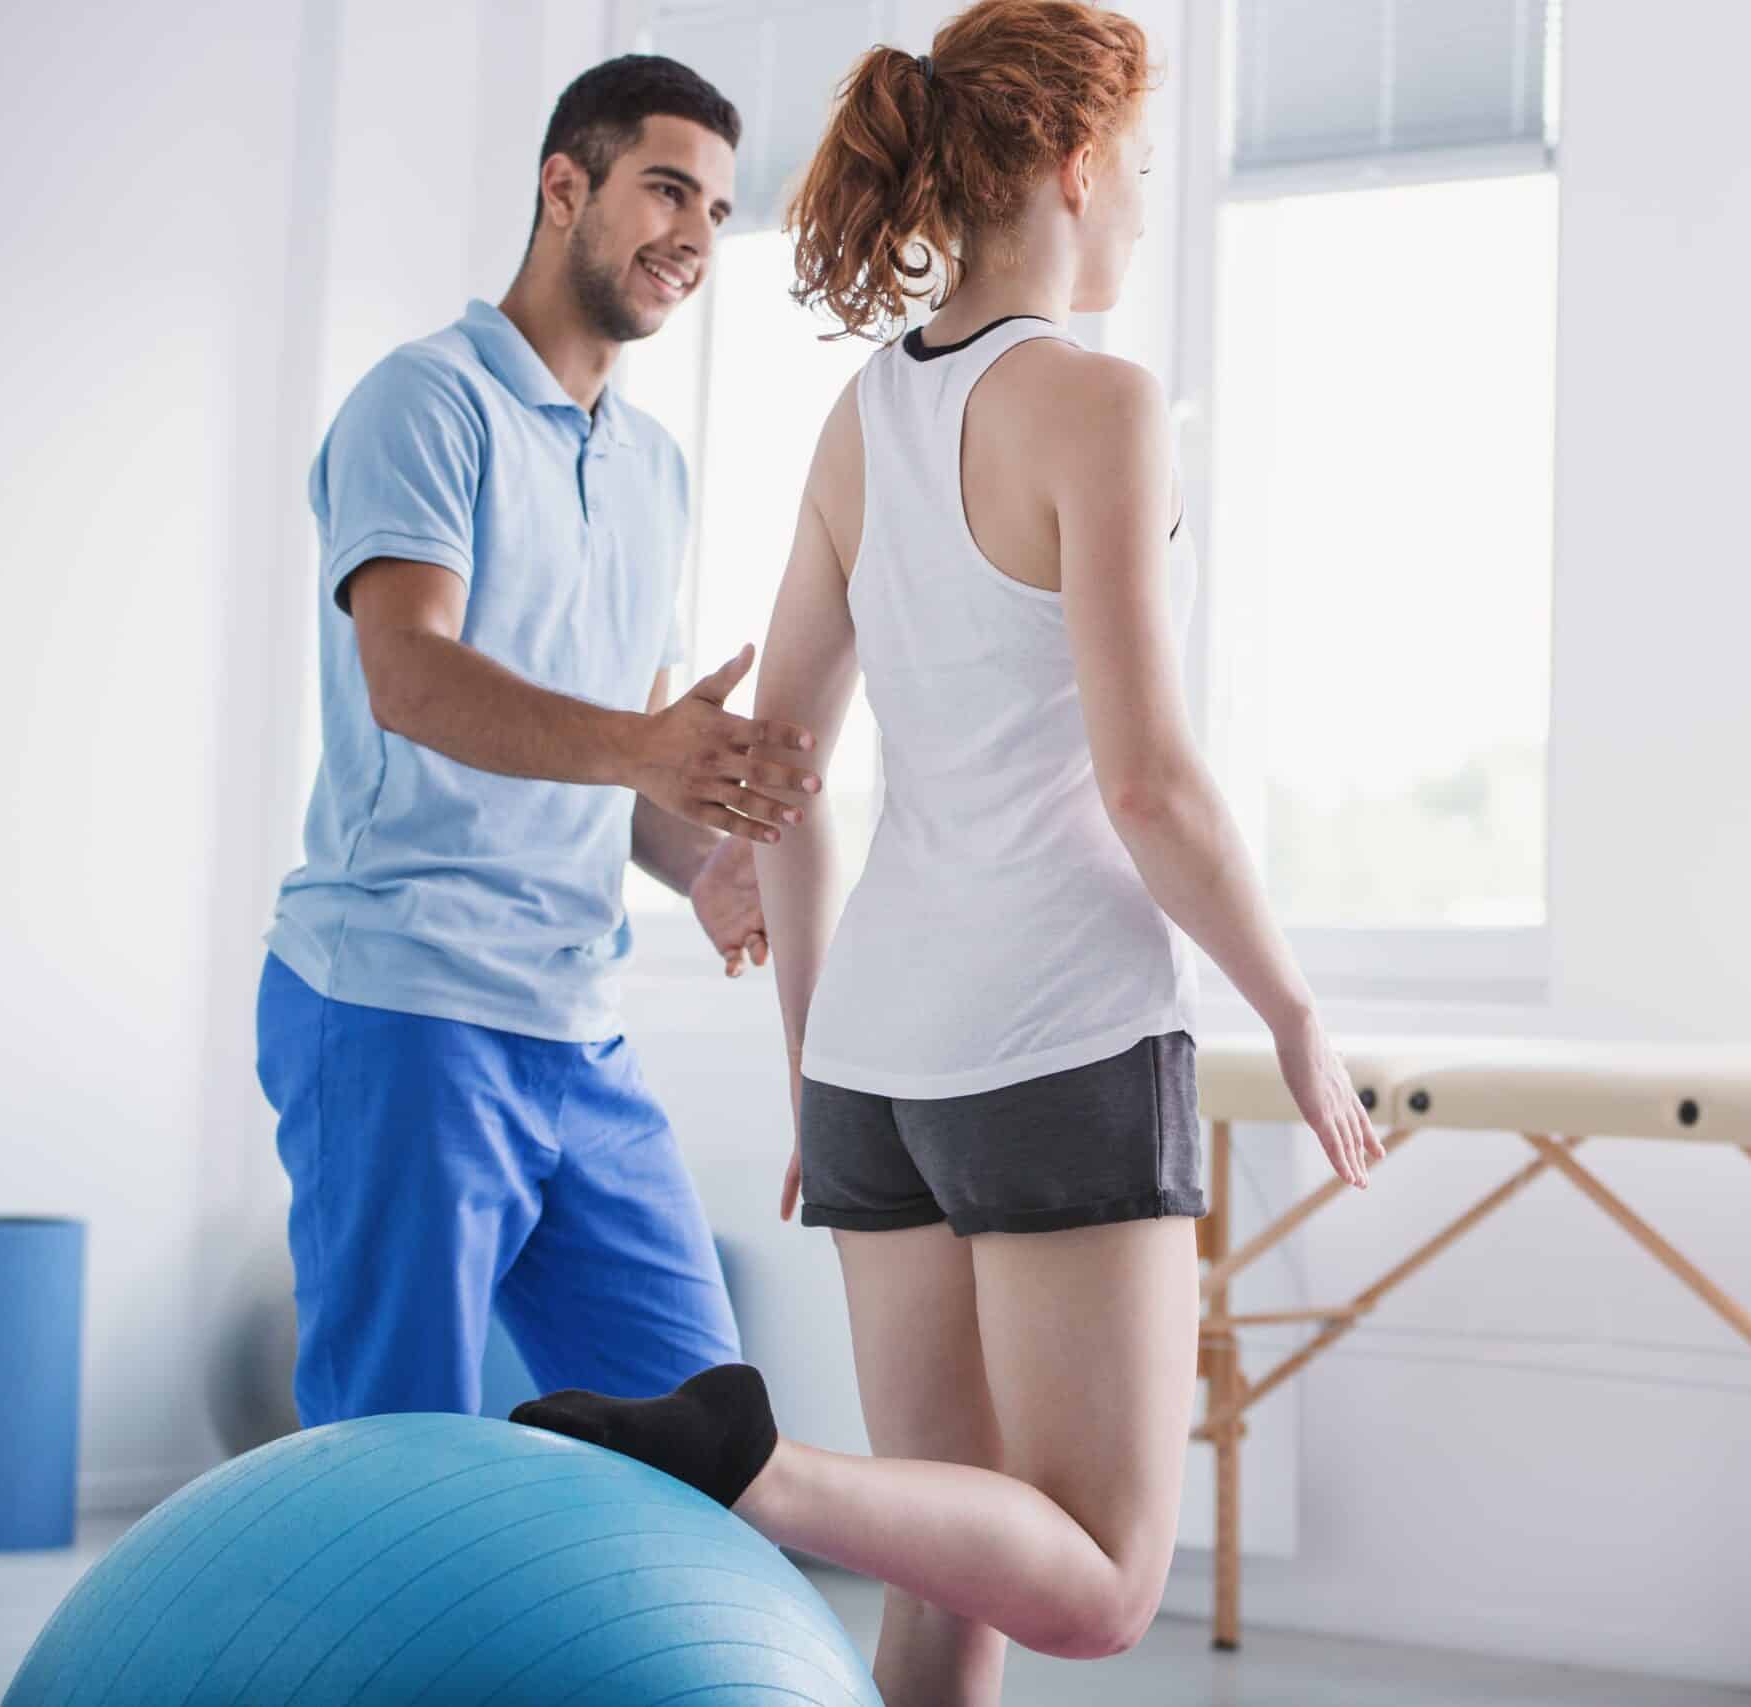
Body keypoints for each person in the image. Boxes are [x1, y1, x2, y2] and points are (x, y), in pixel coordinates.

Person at [511, 5, 1380, 1701]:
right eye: (1138, 168)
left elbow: (776, 779)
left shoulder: (863, 420)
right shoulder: (1100, 404)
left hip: (875, 1063)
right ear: (1076, 162)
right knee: (1103, 1581)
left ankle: (777, 1470)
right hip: (1058, 1035)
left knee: (950, 1563)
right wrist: (1292, 1010)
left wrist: (809, 1069)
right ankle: (763, 1472)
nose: (1141, 208)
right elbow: (1152, 786)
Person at [257, 55, 825, 1428]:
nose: (694, 237)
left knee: (712, 1431)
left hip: (578, 1027)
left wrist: (700, 860)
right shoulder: (424, 401)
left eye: (718, 211)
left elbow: (616, 755)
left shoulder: (653, 469)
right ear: (565, 186)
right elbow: (410, 677)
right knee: (394, 1454)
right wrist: (646, 749)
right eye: (666, 190)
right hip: (403, 1006)